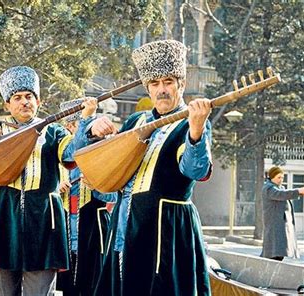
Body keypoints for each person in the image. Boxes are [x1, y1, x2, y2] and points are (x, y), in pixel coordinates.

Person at [88, 40, 213, 295]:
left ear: (181, 84)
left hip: (166, 231)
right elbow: (116, 172)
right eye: (154, 84)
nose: (162, 89)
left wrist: (197, 130)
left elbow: (195, 171)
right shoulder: (135, 120)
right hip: (124, 226)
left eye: (168, 81)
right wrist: (95, 133)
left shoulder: (190, 123)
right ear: (147, 88)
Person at [0, 66, 98, 295]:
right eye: (17, 98)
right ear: (8, 104)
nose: (24, 102)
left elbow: (72, 153)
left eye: (29, 97)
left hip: (44, 220)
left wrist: (86, 120)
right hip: (4, 217)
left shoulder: (53, 131)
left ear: (38, 101)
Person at [56, 99, 117, 296]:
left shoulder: (102, 149)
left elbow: (112, 195)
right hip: (63, 223)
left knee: (95, 281)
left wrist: (95, 180)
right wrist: (57, 187)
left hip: (94, 225)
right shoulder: (59, 153)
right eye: (75, 125)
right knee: (65, 285)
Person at [261, 166, 304, 261]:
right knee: (273, 254)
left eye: (282, 177)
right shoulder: (269, 188)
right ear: (272, 177)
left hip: (280, 226)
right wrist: (299, 191)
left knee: (278, 254)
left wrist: (300, 193)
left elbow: (283, 193)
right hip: (274, 226)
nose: (281, 180)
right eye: (278, 177)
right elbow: (281, 194)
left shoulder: (279, 187)